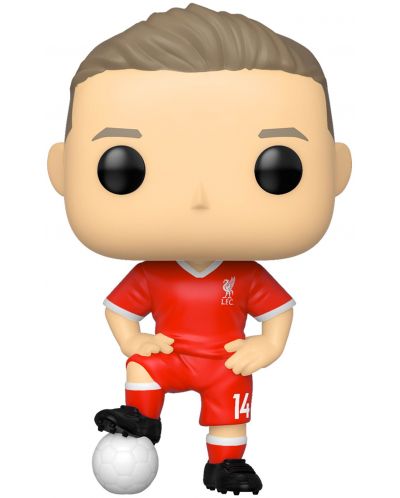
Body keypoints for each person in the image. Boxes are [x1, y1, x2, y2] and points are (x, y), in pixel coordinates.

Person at [48, 3, 351, 494]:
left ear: (336, 171)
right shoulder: (153, 273)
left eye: (277, 169)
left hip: (225, 362)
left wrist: (268, 345)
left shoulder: (246, 274)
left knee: (230, 412)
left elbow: (278, 312)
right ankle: (142, 417)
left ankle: (225, 463)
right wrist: (132, 341)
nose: (199, 199)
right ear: (62, 171)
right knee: (140, 366)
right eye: (123, 169)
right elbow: (119, 310)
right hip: (171, 355)